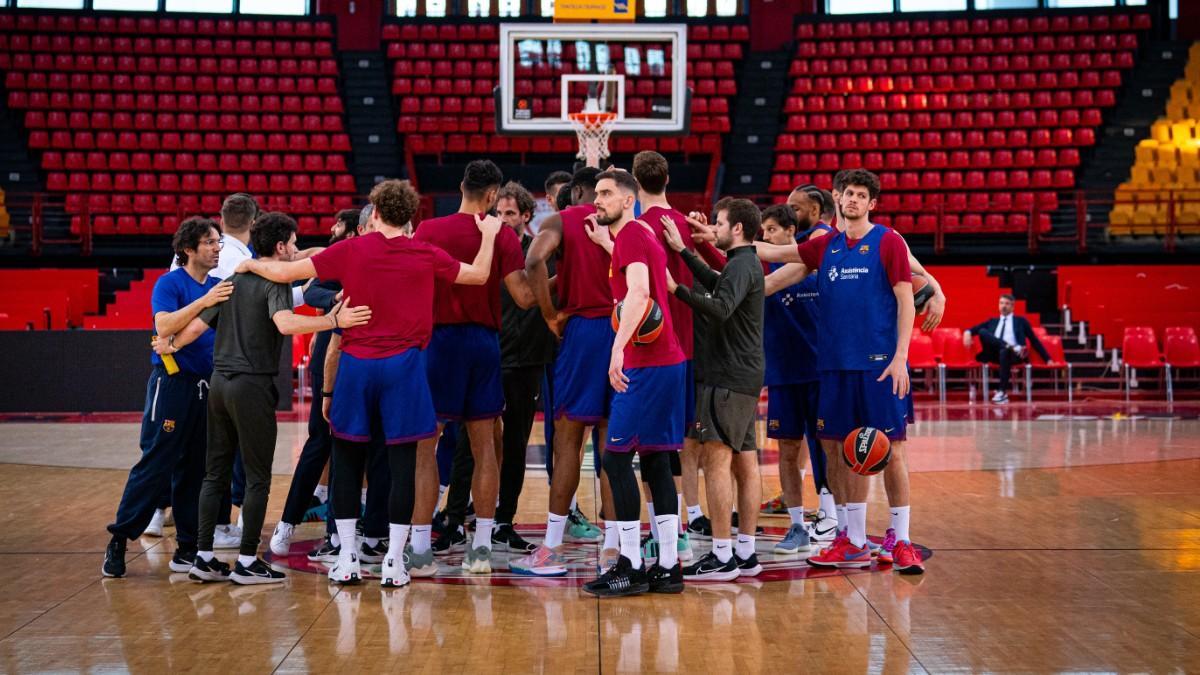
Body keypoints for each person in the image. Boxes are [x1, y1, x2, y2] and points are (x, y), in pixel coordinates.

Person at [234, 180, 500, 588]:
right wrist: (489, 237)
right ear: (411, 217)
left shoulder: (351, 249)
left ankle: (348, 558)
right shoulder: (426, 253)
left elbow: (285, 272)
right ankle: (395, 560)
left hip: (358, 365)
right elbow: (480, 276)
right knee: (400, 465)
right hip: (406, 368)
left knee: (347, 461)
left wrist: (250, 264)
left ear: (374, 214)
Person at [156, 213, 372, 584]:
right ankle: (246, 562)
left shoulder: (233, 279)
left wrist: (169, 345)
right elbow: (286, 324)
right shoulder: (273, 280)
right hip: (250, 386)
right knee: (257, 477)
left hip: (219, 384)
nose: (295, 249)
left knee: (214, 473)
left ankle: (203, 557)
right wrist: (333, 322)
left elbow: (194, 327)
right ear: (280, 247)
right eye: (293, 243)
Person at [756, 168, 924, 575]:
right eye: (847, 193)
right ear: (838, 198)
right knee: (839, 452)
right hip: (832, 368)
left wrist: (901, 355)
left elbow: (907, 299)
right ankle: (851, 538)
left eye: (861, 195)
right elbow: (776, 255)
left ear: (871, 203)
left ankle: (900, 540)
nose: (852, 200)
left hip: (879, 368)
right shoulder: (826, 246)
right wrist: (725, 241)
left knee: (892, 450)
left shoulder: (888, 241)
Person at [409, 160, 533, 576]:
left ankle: (421, 548)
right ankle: (480, 546)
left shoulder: (428, 231)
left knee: (427, 447)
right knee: (485, 447)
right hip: (483, 344)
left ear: (462, 187)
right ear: (493, 195)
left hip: (438, 344)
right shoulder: (502, 235)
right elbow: (523, 298)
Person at [102, 217, 232, 578]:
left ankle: (188, 548)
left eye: (218, 242)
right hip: (172, 384)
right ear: (189, 249)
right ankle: (119, 538)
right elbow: (163, 326)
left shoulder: (222, 286)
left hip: (206, 387)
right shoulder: (170, 283)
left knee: (196, 470)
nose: (216, 248)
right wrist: (205, 301)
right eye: (209, 242)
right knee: (156, 463)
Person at [582, 169, 687, 597]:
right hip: (669, 361)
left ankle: (630, 563)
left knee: (616, 460)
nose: (597, 200)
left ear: (629, 200)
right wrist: (607, 245)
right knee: (658, 462)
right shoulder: (639, 233)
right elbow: (646, 278)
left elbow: (641, 294)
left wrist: (617, 349)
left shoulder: (630, 236)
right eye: (597, 193)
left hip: (646, 364)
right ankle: (668, 566)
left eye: (607, 194)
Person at [438, 183, 552, 556]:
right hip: (485, 356)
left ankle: (503, 521)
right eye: (498, 213)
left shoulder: (535, 255)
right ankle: (454, 520)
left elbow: (535, 299)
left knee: (515, 443)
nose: (501, 219)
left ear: (525, 216)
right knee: (468, 445)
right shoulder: (482, 247)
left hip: (524, 360)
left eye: (509, 214)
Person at [510, 167, 613, 577]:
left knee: (569, 439)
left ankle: (552, 547)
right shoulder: (624, 221)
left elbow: (533, 258)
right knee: (614, 446)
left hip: (583, 330)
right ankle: (615, 548)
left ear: (576, 193)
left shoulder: (564, 219)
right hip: (623, 329)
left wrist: (551, 314)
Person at [658, 199, 765, 581]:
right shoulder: (744, 264)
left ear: (736, 228)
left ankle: (722, 556)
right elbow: (716, 282)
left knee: (716, 460)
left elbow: (719, 307)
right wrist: (684, 251)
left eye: (719, 223)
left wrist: (675, 289)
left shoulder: (741, 264)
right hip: (745, 376)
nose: (714, 229)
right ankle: (747, 553)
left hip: (727, 377)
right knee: (745, 464)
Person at [269, 209, 360, 559]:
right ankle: (288, 523)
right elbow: (314, 290)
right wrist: (334, 305)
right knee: (320, 441)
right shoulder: (337, 255)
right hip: (332, 346)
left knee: (353, 448)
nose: (331, 228)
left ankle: (341, 530)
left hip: (366, 357)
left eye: (338, 224)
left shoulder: (373, 252)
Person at [630, 151, 698, 566]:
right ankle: (685, 528)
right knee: (679, 444)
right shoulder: (690, 227)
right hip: (687, 346)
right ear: (668, 178)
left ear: (636, 183)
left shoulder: (636, 228)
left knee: (650, 449)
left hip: (650, 351)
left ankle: (663, 535)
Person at [758, 204, 835, 553]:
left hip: (821, 371)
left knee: (826, 447)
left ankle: (831, 516)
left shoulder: (817, 265)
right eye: (763, 230)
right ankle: (796, 524)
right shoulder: (762, 270)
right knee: (788, 451)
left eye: (772, 229)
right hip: (783, 374)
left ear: (791, 232)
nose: (766, 236)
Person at [965, 293, 1050, 404]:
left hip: (1013, 355)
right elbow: (973, 330)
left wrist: (1048, 359)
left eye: (1007, 304)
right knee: (982, 332)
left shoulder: (1020, 321)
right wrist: (967, 332)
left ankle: (1002, 392)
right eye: (1001, 303)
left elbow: (1034, 340)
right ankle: (1007, 345)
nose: (1003, 306)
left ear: (1013, 306)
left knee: (1004, 351)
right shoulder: (992, 321)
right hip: (994, 354)